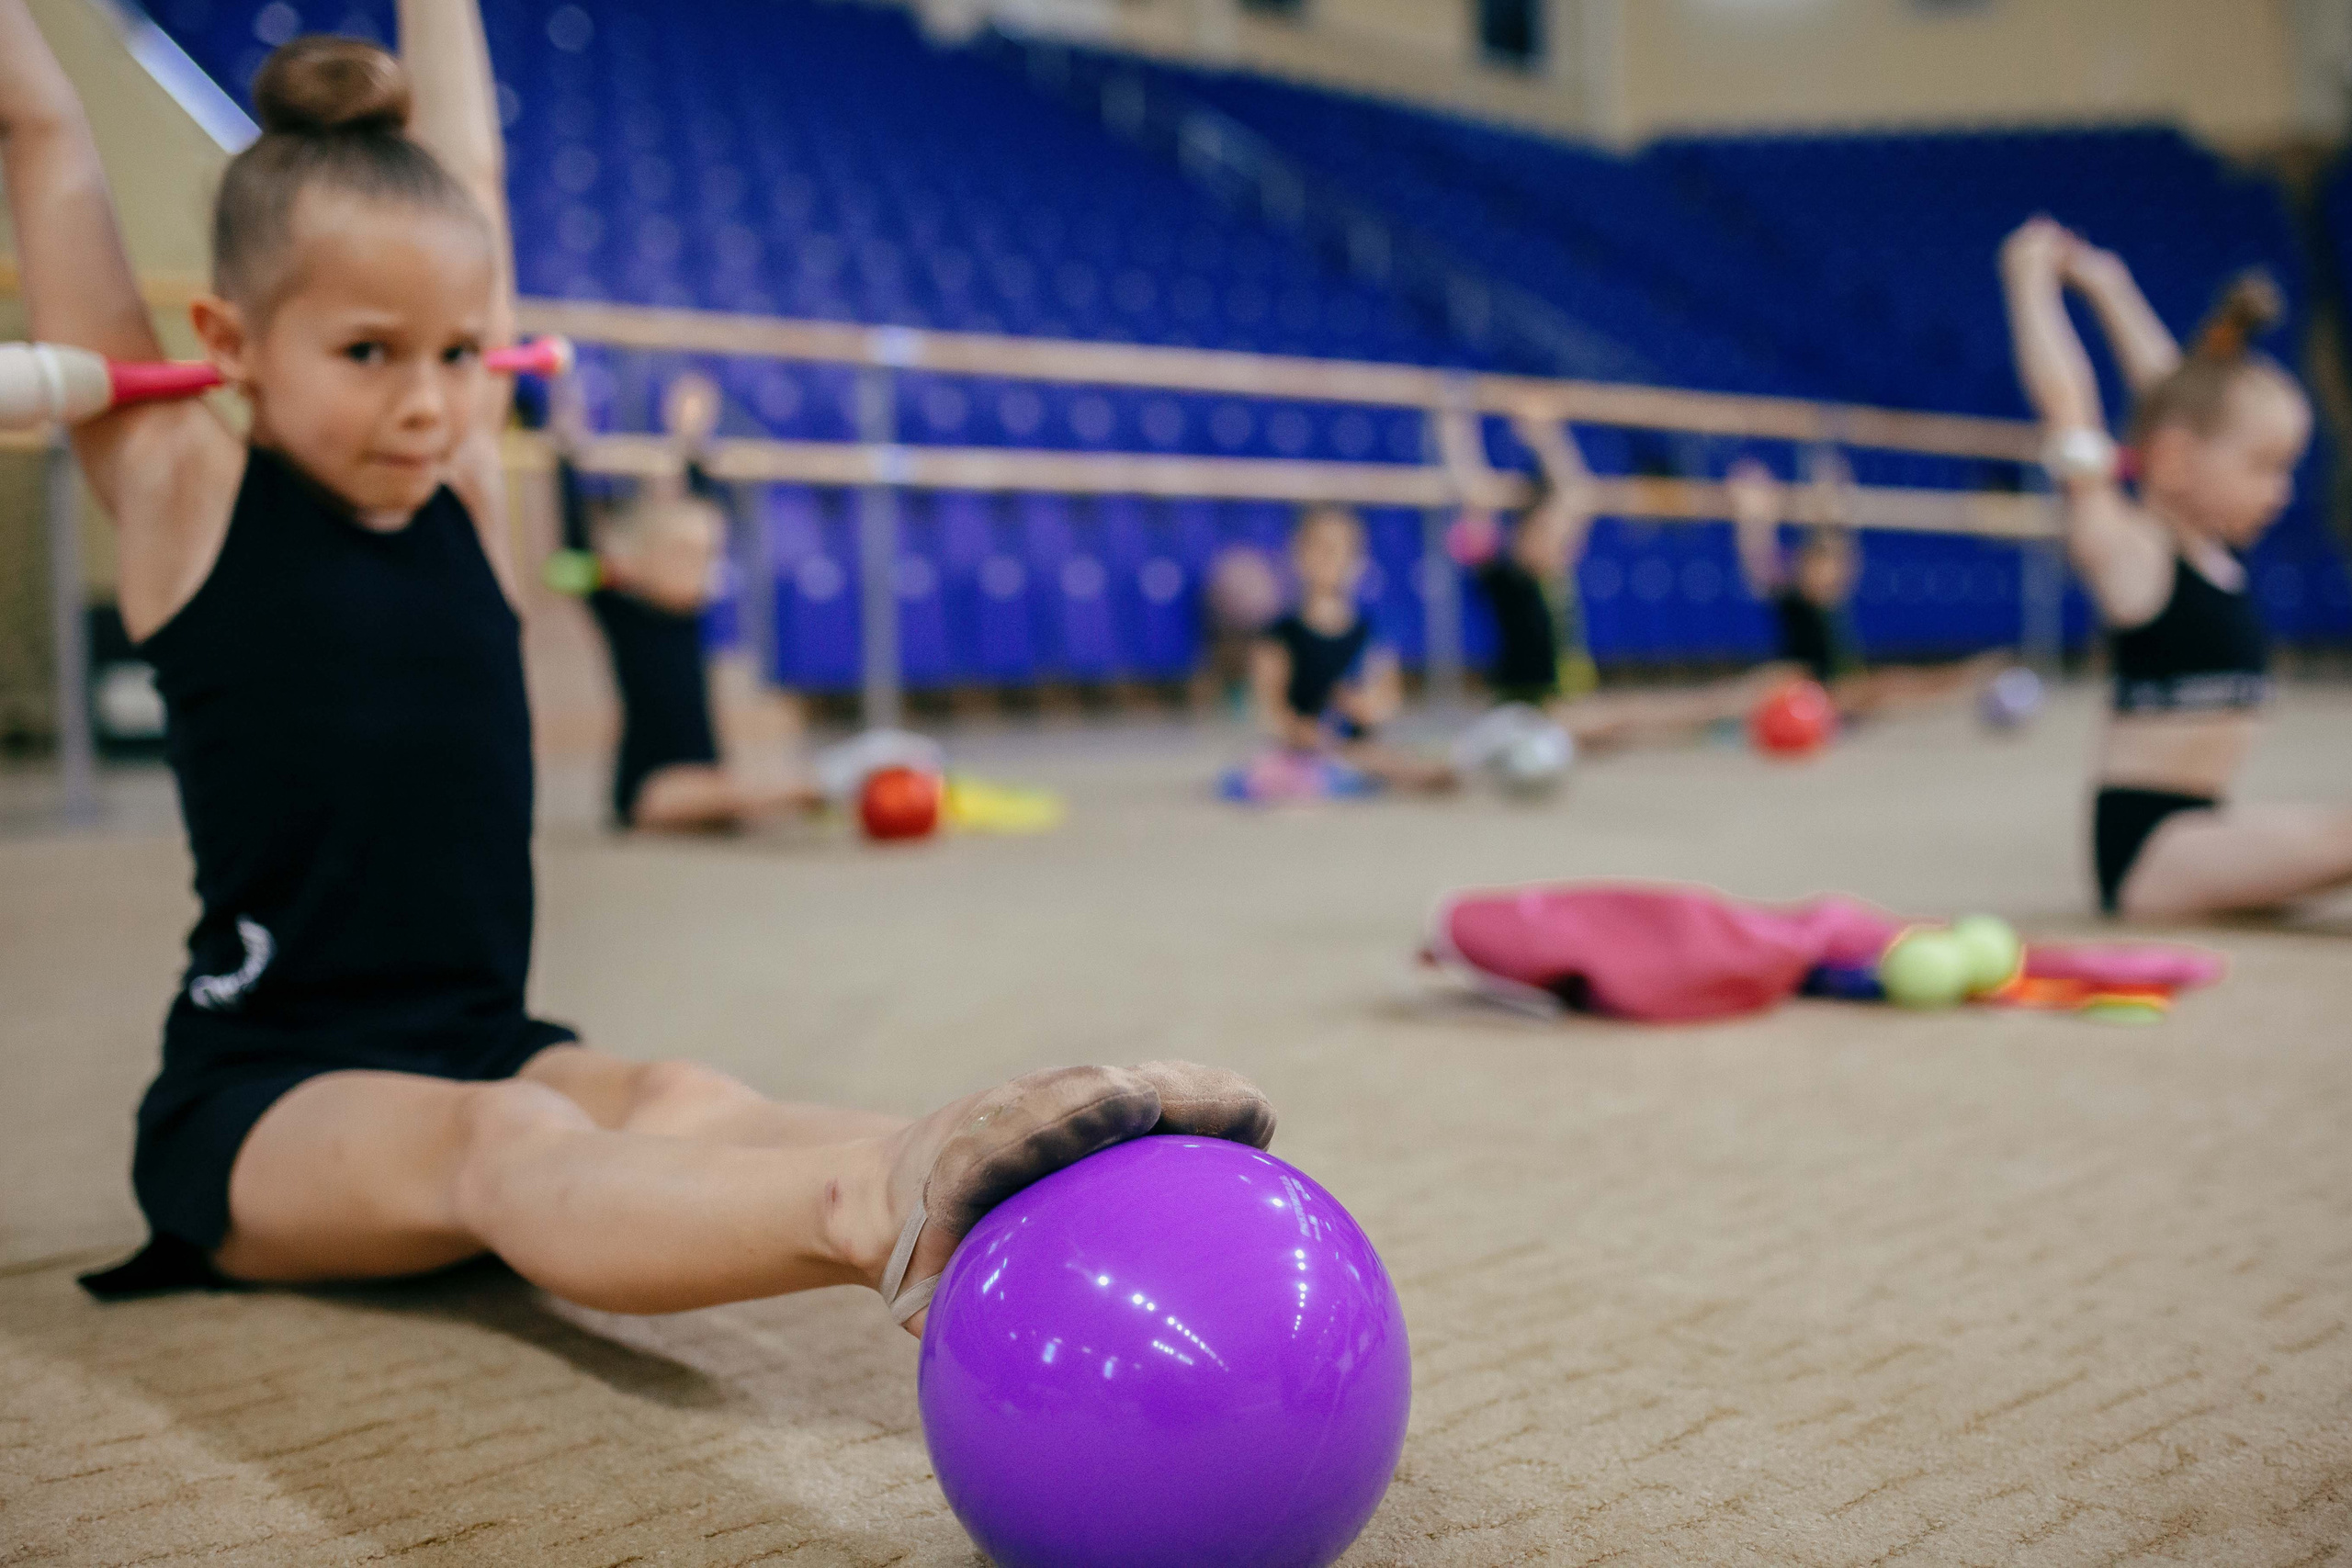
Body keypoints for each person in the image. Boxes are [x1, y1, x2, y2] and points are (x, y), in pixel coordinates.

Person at [2, 4, 1270, 1325]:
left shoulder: (467, 491)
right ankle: (863, 1208)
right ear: (226, 343)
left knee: (684, 1093)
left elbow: (469, 179)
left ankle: (999, 1170)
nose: (429, 400)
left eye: (456, 353)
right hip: (266, 1098)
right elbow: (46, 133)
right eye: (366, 353)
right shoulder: (181, 492)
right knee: (499, 1139)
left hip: (485, 1037)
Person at [2000, 216, 2352, 919]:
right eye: (2264, 467)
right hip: (2150, 854)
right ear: (2174, 461)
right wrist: (2029, 280)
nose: (2281, 490)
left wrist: (2110, 287)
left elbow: (2173, 393)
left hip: (2204, 826)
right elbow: (2070, 410)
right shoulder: (2135, 558)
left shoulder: (2216, 551)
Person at [544, 372, 823, 830]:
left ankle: (767, 793)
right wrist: (567, 448)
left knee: (726, 787)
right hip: (650, 788)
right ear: (640, 563)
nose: (702, 570)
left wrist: (690, 438)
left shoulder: (691, 616)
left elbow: (703, 507)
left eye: (706, 559)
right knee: (731, 792)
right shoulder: (625, 611)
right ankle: (791, 791)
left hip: (706, 773)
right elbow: (573, 546)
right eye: (684, 557)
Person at [1459, 415, 1779, 750]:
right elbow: (1473, 498)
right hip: (1529, 709)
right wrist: (1458, 423)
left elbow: (1577, 495)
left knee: (1646, 714)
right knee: (1641, 716)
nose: (1557, 543)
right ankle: (1729, 704)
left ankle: (1731, 704)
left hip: (1568, 702)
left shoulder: (1556, 576)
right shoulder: (1504, 579)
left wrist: (1545, 435)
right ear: (1519, 538)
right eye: (1544, 535)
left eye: (1557, 535)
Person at [1727, 456, 2005, 717]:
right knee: (1770, 684)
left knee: (1895, 683)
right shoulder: (1790, 594)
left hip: (1842, 686)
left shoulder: (1834, 594)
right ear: (1802, 566)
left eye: (1831, 569)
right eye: (1817, 568)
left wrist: (1835, 496)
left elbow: (1845, 553)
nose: (1826, 577)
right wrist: (1753, 518)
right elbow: (1758, 561)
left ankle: (1969, 677)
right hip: (1804, 685)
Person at [1250, 503, 1455, 791]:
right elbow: (1268, 707)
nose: (1330, 558)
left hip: (1356, 747)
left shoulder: (1371, 635)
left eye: (1342, 550)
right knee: (1284, 770)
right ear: (1298, 554)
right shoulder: (1279, 635)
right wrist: (1297, 729)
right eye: (1320, 547)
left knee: (1374, 758)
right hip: (1304, 751)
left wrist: (1367, 706)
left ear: (1358, 560)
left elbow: (1388, 700)